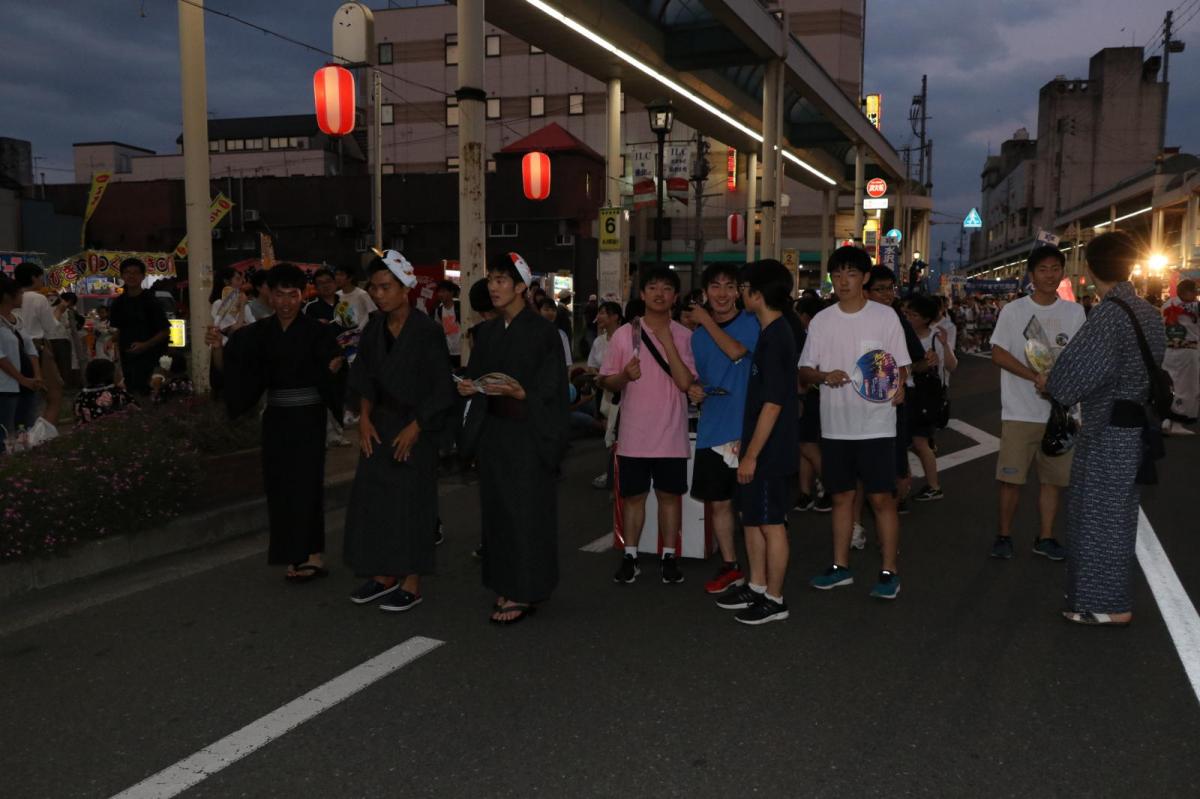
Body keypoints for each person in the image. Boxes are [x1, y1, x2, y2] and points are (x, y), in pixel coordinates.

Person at [1046, 231, 1166, 626]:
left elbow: (1070, 379)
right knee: (1116, 515)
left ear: (1091, 268)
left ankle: (1107, 605)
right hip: (1134, 425)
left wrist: (1048, 380)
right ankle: (1106, 600)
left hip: (1108, 429)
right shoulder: (1148, 312)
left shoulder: (1110, 314)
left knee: (1100, 517)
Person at [207, 263, 345, 582]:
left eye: (293, 295)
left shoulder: (319, 331)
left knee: (308, 484)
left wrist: (336, 370)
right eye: (279, 295)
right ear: (269, 295)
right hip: (277, 418)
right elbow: (231, 372)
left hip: (309, 417)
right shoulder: (256, 334)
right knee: (280, 485)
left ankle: (313, 554)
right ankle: (292, 553)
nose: (285, 302)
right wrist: (216, 348)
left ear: (302, 295)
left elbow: (336, 371)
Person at [458, 252, 568, 624]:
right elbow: (477, 375)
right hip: (495, 432)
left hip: (527, 432)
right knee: (498, 513)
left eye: (502, 280)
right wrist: (470, 387)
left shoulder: (543, 332)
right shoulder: (486, 332)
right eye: (491, 280)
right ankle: (505, 583)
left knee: (526, 513)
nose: (493, 286)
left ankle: (526, 589)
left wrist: (525, 395)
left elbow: (553, 386)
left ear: (522, 286)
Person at [343, 252, 455, 612]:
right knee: (374, 500)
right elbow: (363, 376)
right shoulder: (374, 327)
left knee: (411, 504)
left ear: (405, 287)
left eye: (386, 287)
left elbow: (441, 387)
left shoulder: (427, 331)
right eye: (374, 287)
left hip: (414, 426)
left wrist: (418, 426)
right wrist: (363, 418)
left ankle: (411, 580)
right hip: (379, 422)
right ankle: (383, 574)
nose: (379, 294)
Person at [799, 246, 911, 600]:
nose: (844, 281)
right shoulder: (821, 320)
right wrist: (822, 375)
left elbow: (901, 366)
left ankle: (889, 569)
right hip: (835, 425)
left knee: (881, 499)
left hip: (876, 424)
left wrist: (900, 389)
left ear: (865, 278)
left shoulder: (885, 317)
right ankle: (840, 566)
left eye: (852, 274)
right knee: (842, 497)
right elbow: (804, 370)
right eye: (838, 274)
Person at [598, 265, 697, 585]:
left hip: (671, 433)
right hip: (634, 434)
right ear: (642, 294)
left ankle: (670, 555)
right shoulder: (625, 334)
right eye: (652, 287)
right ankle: (631, 555)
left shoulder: (685, 336)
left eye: (666, 288)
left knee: (670, 496)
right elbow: (607, 381)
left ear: (675, 297)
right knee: (634, 497)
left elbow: (685, 383)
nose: (659, 293)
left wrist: (668, 341)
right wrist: (625, 376)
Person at [712, 260, 797, 625]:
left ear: (757, 294)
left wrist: (752, 455)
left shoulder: (777, 335)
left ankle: (775, 598)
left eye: (743, 287)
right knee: (756, 519)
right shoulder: (770, 331)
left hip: (771, 450)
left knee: (771, 522)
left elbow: (774, 402)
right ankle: (759, 587)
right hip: (762, 446)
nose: (738, 293)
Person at [988, 245, 1085, 561]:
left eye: (1055, 268)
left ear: (1062, 272)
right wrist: (1035, 377)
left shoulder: (1074, 312)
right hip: (1020, 412)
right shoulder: (1014, 311)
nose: (1050, 275)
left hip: (1061, 413)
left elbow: (1079, 358)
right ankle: (1003, 535)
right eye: (1043, 269)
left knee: (1053, 482)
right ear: (1031, 274)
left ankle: (1045, 537)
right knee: (1011, 480)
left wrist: (1065, 388)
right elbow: (999, 353)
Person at [685, 263, 760, 596]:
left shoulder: (750, 323)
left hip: (747, 429)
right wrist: (695, 389)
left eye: (730, 287)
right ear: (705, 292)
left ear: (739, 292)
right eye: (715, 286)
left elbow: (735, 352)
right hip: (713, 427)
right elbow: (702, 376)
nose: (722, 294)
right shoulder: (698, 337)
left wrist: (703, 320)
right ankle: (731, 565)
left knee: (751, 506)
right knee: (718, 502)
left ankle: (761, 575)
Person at [903, 294, 957, 500]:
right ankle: (929, 486)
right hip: (907, 394)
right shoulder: (903, 334)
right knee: (917, 442)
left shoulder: (935, 336)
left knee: (918, 442)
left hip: (923, 398)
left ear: (925, 318)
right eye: (906, 313)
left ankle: (929, 486)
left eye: (913, 315)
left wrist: (944, 346)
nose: (907, 318)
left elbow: (952, 366)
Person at [13, 263, 64, 436]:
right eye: (41, 277)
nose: (42, 280)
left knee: (24, 397)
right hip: (37, 347)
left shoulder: (10, 297)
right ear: (34, 277)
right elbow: (51, 328)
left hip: (14, 350)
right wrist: (59, 311)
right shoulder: (37, 298)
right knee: (54, 394)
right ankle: (43, 436)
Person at [108, 258, 169, 396]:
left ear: (142, 276)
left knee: (148, 394)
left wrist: (145, 345)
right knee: (131, 393)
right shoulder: (118, 303)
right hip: (127, 356)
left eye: (136, 273)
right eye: (127, 272)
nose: (131, 276)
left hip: (151, 357)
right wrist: (111, 340)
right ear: (122, 276)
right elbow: (121, 329)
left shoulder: (152, 301)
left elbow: (165, 331)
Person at [793, 294, 832, 514]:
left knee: (807, 445)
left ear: (806, 317)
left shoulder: (809, 336)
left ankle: (830, 488)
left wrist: (799, 395)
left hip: (809, 396)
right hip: (814, 396)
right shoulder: (816, 334)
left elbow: (805, 372)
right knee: (804, 446)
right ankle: (805, 493)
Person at [0, 276, 42, 453]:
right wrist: (21, 379)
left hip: (28, 384)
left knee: (25, 430)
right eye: (19, 293)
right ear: (7, 296)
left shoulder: (17, 318)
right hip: (6, 386)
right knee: (4, 430)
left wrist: (37, 376)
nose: (22, 296)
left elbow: (30, 348)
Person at [587, 301, 624, 491]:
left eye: (603, 313)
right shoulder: (599, 341)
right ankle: (612, 472)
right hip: (604, 391)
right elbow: (592, 364)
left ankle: (615, 474)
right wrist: (597, 375)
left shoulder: (626, 337)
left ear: (615, 316)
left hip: (622, 392)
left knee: (617, 432)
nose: (599, 317)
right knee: (608, 432)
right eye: (599, 313)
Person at [1160, 278, 1198, 434]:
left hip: (1169, 351)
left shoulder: (1168, 304)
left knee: (1169, 385)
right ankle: (1176, 422)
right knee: (1185, 388)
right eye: (1194, 291)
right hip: (1187, 352)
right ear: (1185, 292)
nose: (1196, 294)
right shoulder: (1195, 307)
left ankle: (1166, 419)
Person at [73, 358, 138, 425]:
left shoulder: (81, 395)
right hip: (115, 428)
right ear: (110, 374)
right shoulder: (118, 392)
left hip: (88, 430)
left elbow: (77, 414)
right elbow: (135, 408)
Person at [537, 296, 572, 368]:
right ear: (538, 311)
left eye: (553, 310)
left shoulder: (561, 335)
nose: (550, 313)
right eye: (546, 309)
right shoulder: (532, 333)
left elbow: (567, 362)